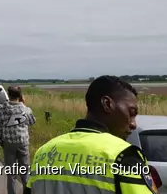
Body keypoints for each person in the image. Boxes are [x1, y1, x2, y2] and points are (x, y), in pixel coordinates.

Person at [24, 75, 159, 194]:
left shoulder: (44, 152)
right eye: (131, 112)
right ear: (107, 104)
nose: (133, 124)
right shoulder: (124, 156)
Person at [0, 86, 36, 194]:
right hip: (23, 143)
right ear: (20, 96)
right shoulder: (25, 109)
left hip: (8, 143)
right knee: (25, 172)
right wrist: (24, 105)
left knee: (11, 174)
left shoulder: (2, 109)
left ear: (9, 95)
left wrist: (0, 141)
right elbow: (32, 121)